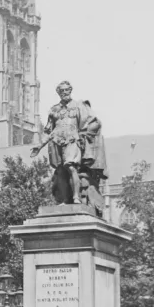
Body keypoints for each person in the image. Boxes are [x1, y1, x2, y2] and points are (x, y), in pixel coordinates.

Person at [30, 81, 108, 211]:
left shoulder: (79, 106)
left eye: (67, 90)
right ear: (58, 93)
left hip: (72, 141)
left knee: (70, 167)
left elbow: (95, 123)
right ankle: (65, 200)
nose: (65, 93)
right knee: (60, 170)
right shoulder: (54, 110)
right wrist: (39, 145)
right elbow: (48, 131)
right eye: (62, 91)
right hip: (56, 142)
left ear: (70, 90)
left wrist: (84, 135)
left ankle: (76, 197)